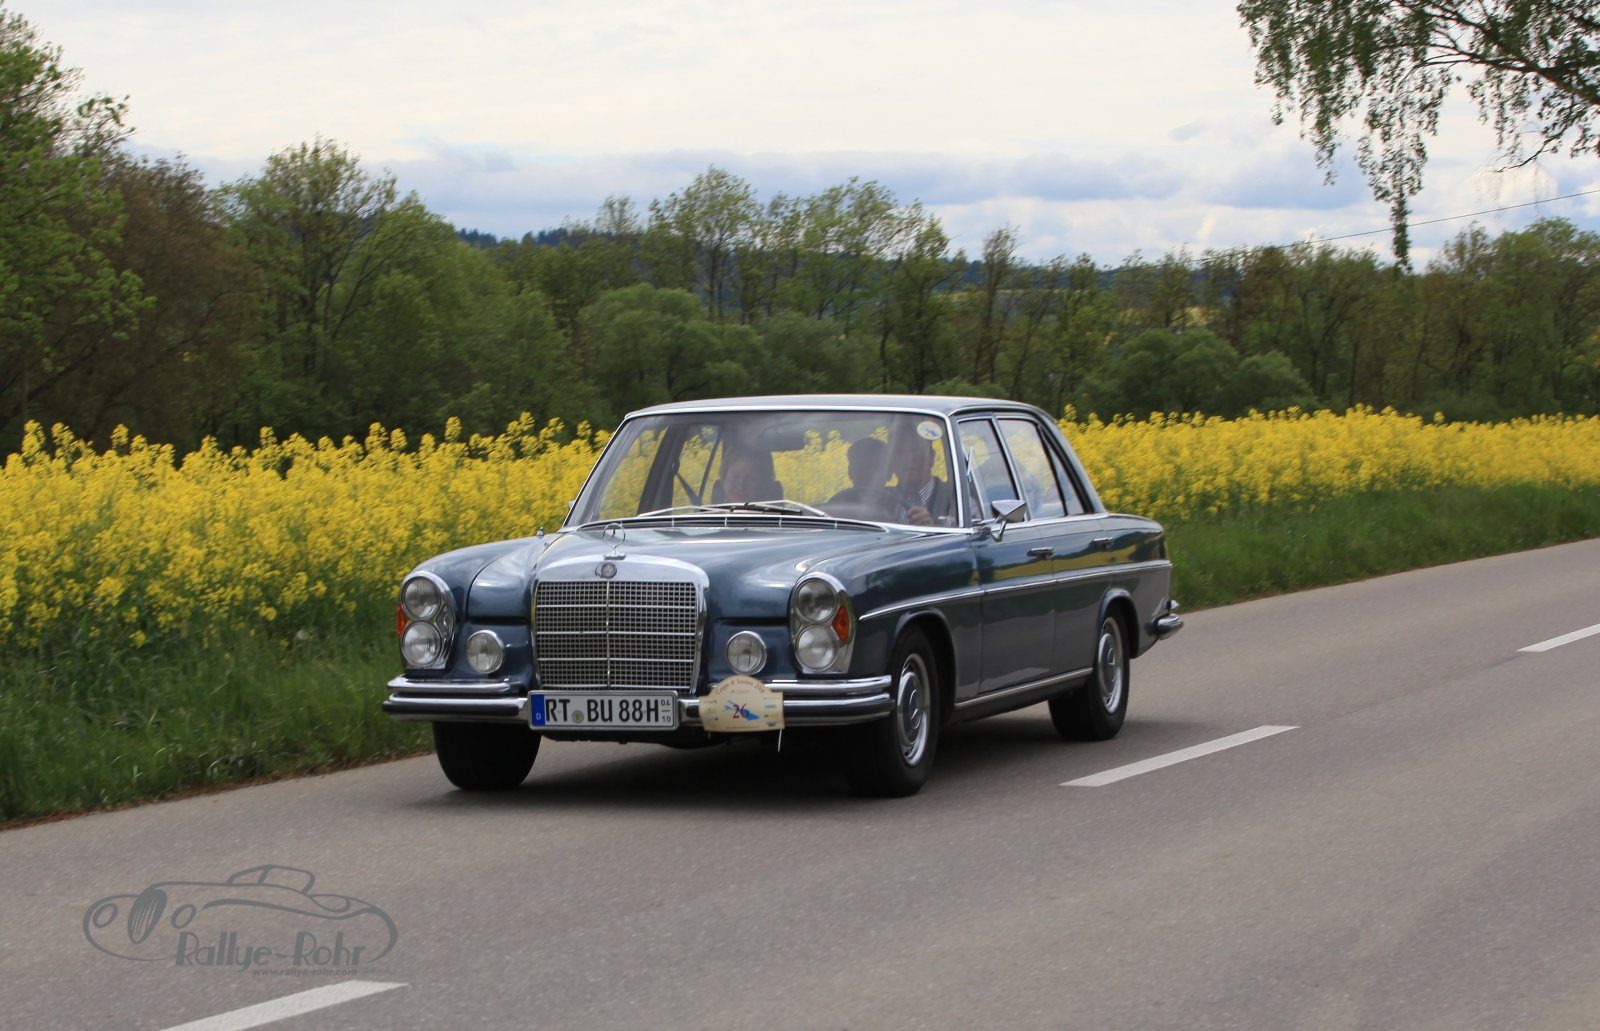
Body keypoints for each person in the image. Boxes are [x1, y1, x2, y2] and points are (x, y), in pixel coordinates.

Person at [888, 423, 956, 526]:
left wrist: (932, 528)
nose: (908, 459)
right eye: (900, 452)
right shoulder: (881, 500)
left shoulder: (956, 499)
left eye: (916, 451)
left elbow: (974, 531)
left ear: (932, 457)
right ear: (892, 462)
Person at [716, 450, 781, 503]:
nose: (741, 486)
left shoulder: (774, 515)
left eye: (750, 479)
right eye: (735, 477)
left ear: (764, 484)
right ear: (724, 479)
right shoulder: (712, 514)